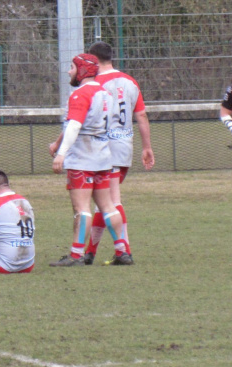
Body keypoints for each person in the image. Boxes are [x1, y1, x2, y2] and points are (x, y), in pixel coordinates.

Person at [48, 53, 130, 267]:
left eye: (72, 67)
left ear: (83, 70)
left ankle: (76, 256)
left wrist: (61, 153)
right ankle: (122, 251)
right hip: (103, 158)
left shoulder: (80, 94)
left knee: (81, 208)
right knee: (107, 206)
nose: (69, 71)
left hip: (82, 159)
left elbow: (74, 125)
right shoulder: (105, 94)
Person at [84, 41, 155, 264]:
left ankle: (123, 251)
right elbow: (141, 116)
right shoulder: (130, 81)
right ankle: (91, 252)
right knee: (103, 202)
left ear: (94, 60)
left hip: (104, 147)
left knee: (112, 201)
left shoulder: (96, 82)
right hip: (124, 147)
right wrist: (147, 147)